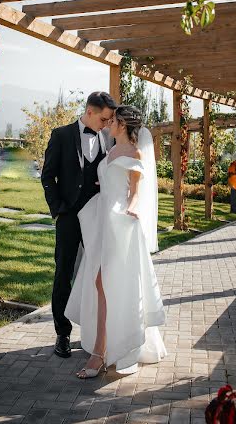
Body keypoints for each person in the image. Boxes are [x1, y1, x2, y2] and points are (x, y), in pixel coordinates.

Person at [65, 105, 166, 378]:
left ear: (122, 124)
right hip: (102, 221)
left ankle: (101, 353)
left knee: (106, 283)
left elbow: (135, 191)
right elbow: (109, 180)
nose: (108, 123)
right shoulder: (109, 151)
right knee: (100, 284)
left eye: (113, 120)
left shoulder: (136, 152)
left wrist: (131, 209)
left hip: (119, 222)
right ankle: (105, 346)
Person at [41, 91, 117, 359]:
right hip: (70, 216)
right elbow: (48, 176)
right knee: (64, 273)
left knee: (99, 273)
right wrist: (59, 210)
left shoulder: (107, 138)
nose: (107, 124)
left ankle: (96, 333)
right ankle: (62, 334)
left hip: (97, 215)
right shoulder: (61, 135)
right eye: (104, 119)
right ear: (90, 112)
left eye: (110, 121)